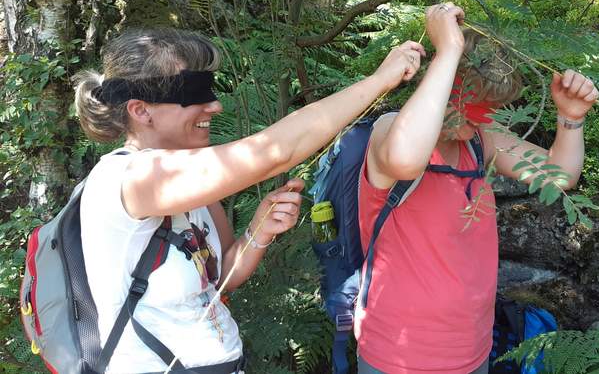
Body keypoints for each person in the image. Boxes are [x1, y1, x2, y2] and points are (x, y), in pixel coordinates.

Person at [73, 28, 426, 372]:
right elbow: (276, 152)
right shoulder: (127, 179)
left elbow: (222, 274)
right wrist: (382, 79)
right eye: (195, 93)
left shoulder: (191, 187)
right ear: (140, 110)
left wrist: (257, 232)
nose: (215, 105)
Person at [355, 3, 599, 373]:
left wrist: (570, 118)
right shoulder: (390, 132)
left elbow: (559, 177)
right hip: (399, 356)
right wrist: (449, 51)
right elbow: (405, 158)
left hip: (472, 350)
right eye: (477, 103)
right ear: (446, 83)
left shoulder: (478, 141)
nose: (485, 115)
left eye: (494, 106)